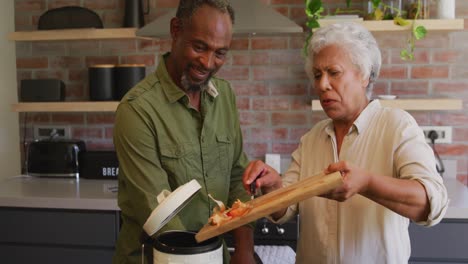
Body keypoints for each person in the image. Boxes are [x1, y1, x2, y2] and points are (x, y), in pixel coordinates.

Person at [242, 22, 449, 263]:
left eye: (334, 72)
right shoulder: (312, 139)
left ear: (363, 75)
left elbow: (432, 204)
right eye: (317, 75)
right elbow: (284, 208)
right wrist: (272, 185)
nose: (321, 85)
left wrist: (367, 183)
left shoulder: (397, 126)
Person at [112, 1, 256, 263]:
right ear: (176, 30)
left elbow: (237, 177)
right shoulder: (137, 111)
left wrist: (244, 250)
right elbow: (160, 214)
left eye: (220, 53)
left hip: (213, 256)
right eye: (199, 47)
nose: (208, 63)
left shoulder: (224, 96)